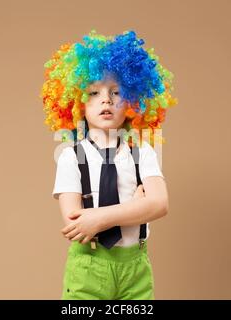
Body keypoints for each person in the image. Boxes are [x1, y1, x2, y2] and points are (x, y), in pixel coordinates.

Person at [41, 30, 177, 299]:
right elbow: (75, 224)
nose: (106, 99)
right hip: (88, 267)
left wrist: (101, 217)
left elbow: (160, 204)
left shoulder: (143, 152)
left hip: (135, 268)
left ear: (131, 101)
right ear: (77, 104)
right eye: (94, 92)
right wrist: (137, 207)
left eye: (116, 92)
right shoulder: (70, 157)